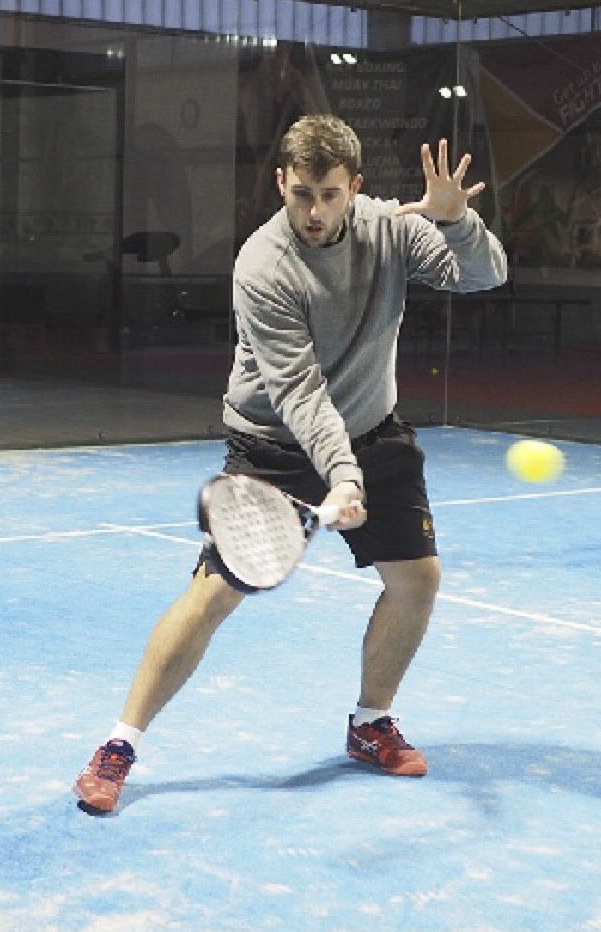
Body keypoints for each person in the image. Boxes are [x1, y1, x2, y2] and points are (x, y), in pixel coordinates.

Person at [73, 114, 508, 815]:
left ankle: (370, 724)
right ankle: (118, 746)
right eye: (302, 193)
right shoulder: (263, 264)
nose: (314, 211)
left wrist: (457, 222)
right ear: (281, 183)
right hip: (274, 443)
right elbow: (300, 392)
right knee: (215, 595)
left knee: (417, 581)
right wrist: (342, 476)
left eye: (329, 195)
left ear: (354, 187)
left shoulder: (390, 228)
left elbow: (485, 274)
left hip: (374, 430)